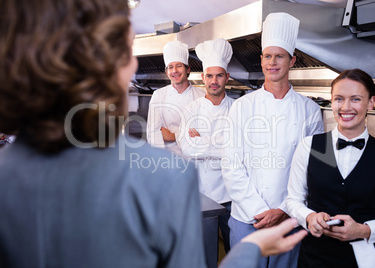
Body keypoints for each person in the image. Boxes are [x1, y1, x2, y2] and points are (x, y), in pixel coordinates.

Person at [0, 1, 307, 267]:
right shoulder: (167, 180)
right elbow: (183, 143)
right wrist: (250, 251)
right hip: (224, 196)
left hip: (243, 201)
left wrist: (195, 142)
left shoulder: (7, 174)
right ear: (123, 64)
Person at [222, 12, 324, 268]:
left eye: (279, 56)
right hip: (247, 217)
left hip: (289, 216)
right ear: (261, 60)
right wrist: (259, 209)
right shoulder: (242, 107)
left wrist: (283, 209)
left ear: (292, 61)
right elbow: (231, 165)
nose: (272, 62)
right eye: (268, 56)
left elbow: (317, 167)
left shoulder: (309, 110)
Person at [285, 69, 375, 268]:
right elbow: (292, 201)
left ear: (371, 102)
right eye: (339, 99)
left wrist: (364, 230)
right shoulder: (309, 146)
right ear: (332, 101)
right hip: (315, 257)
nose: (346, 107)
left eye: (355, 99)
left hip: (366, 259)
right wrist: (310, 217)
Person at [178, 38, 234, 254]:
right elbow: (187, 148)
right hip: (202, 194)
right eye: (209, 76)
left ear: (227, 77)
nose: (214, 81)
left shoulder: (238, 109)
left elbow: (240, 152)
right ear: (203, 78)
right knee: (204, 254)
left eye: (219, 75)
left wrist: (203, 141)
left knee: (234, 253)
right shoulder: (190, 110)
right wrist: (224, 147)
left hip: (232, 195)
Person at [146, 40, 205, 156]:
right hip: (167, 159)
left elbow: (203, 134)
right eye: (170, 67)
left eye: (179, 66)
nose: (174, 71)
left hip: (194, 160)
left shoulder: (202, 96)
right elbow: (153, 134)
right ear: (167, 72)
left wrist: (173, 136)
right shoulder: (158, 95)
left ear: (188, 69)